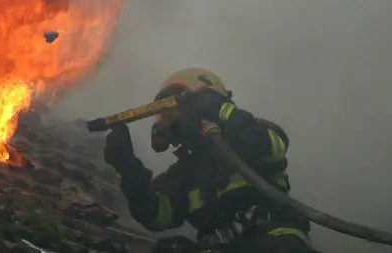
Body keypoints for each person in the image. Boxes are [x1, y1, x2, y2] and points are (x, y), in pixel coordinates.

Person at [103, 68, 313, 253]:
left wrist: (216, 109)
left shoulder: (251, 133)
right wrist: (128, 167)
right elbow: (156, 214)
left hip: (276, 240)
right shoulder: (184, 172)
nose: (169, 122)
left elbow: (268, 145)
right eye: (164, 116)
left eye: (172, 111)